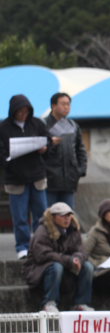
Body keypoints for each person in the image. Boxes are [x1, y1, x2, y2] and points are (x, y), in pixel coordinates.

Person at [0, 94, 50, 259]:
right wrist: (9, 157)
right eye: (20, 111)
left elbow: (47, 140)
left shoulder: (36, 123)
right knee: (20, 216)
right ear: (13, 111)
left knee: (41, 214)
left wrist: (45, 148)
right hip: (15, 177)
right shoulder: (4, 127)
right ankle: (22, 246)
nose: (23, 114)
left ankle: (40, 244)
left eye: (26, 111)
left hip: (36, 175)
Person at [22, 202, 94, 312]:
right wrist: (68, 260)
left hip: (65, 268)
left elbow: (82, 251)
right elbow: (42, 255)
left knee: (88, 266)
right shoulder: (42, 231)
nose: (67, 219)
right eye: (63, 216)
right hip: (39, 270)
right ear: (53, 217)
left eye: (69, 215)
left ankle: (81, 302)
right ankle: (49, 302)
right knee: (56, 266)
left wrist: (77, 259)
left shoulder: (73, 230)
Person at [42, 92, 88, 208]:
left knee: (68, 216)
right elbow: (39, 151)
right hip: (49, 181)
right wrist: (51, 144)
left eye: (68, 104)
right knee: (49, 217)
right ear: (53, 106)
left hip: (70, 180)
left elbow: (80, 149)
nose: (66, 107)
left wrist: (80, 169)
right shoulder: (43, 125)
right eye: (63, 104)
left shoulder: (73, 125)